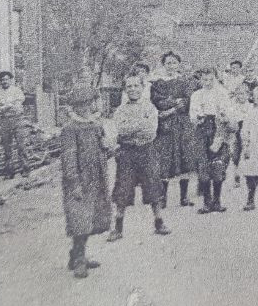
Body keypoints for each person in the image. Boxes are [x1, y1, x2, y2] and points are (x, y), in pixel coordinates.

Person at [56, 85, 112, 278]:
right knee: (79, 219)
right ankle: (79, 259)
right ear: (76, 106)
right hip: (79, 180)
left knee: (90, 219)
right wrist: (74, 183)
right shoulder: (70, 129)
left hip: (96, 177)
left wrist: (107, 147)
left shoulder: (96, 125)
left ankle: (77, 254)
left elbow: (104, 149)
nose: (87, 107)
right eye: (83, 104)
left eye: (89, 103)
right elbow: (68, 159)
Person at [107, 72, 170, 241]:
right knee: (123, 188)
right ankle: (118, 228)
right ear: (125, 89)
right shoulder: (120, 110)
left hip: (146, 150)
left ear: (142, 88)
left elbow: (150, 131)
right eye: (129, 86)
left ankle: (159, 222)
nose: (133, 89)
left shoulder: (150, 108)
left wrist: (131, 128)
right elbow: (120, 130)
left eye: (136, 86)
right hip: (126, 153)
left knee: (153, 185)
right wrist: (138, 126)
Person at [149, 52, 196, 208]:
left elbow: (187, 101)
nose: (171, 66)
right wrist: (172, 102)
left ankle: (184, 197)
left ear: (178, 65)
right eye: (168, 63)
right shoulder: (158, 84)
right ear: (164, 65)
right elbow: (157, 102)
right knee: (165, 159)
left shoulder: (185, 82)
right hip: (165, 127)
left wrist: (171, 109)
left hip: (182, 125)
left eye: (174, 63)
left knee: (185, 157)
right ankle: (163, 198)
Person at [189, 67, 231, 213]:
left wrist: (223, 118)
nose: (207, 82)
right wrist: (198, 118)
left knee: (218, 164)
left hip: (218, 128)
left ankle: (217, 201)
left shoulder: (222, 93)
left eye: (210, 79)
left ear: (216, 78)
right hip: (201, 130)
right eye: (204, 79)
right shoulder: (196, 95)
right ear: (200, 80)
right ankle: (207, 201)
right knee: (203, 165)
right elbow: (193, 115)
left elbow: (226, 113)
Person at [0, 70, 28, 178]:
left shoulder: (17, 91)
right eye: (2, 80)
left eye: (6, 79)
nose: (4, 81)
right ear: (0, 81)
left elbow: (18, 106)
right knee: (7, 148)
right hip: (5, 121)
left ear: (10, 80)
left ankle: (25, 169)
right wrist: (8, 106)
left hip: (17, 120)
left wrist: (4, 106)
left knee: (21, 146)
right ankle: (9, 172)